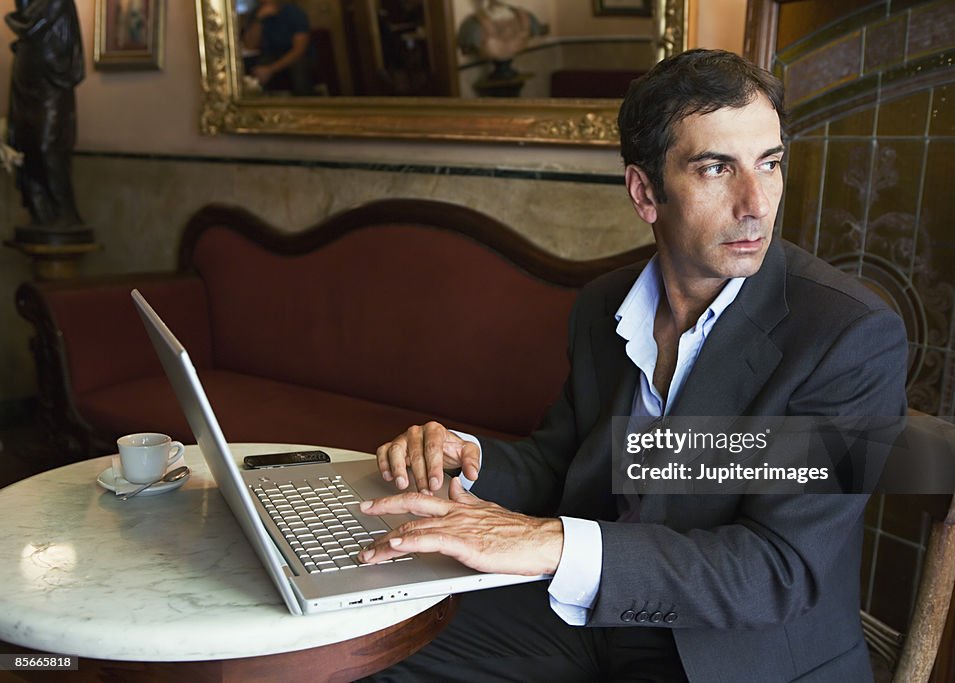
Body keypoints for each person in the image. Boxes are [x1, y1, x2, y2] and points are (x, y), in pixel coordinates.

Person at [358, 49, 908, 682]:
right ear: (645, 192)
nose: (756, 202)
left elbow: (776, 569)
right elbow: (570, 460)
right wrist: (466, 457)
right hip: (598, 615)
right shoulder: (602, 308)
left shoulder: (848, 335)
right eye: (715, 168)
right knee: (373, 647)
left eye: (770, 164)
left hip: (737, 656)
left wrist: (551, 544)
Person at [5, 0, 86, 234]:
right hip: (27, 79)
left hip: (51, 82)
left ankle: (64, 212)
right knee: (26, 144)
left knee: (46, 146)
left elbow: (29, 24)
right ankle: (40, 211)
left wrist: (9, 19)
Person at [241, 0, 314, 96]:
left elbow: (299, 50)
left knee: (299, 68)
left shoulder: (294, 13)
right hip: (270, 56)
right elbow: (250, 45)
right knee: (253, 67)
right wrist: (259, 19)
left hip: (298, 57)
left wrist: (270, 69)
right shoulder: (256, 13)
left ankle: (306, 106)